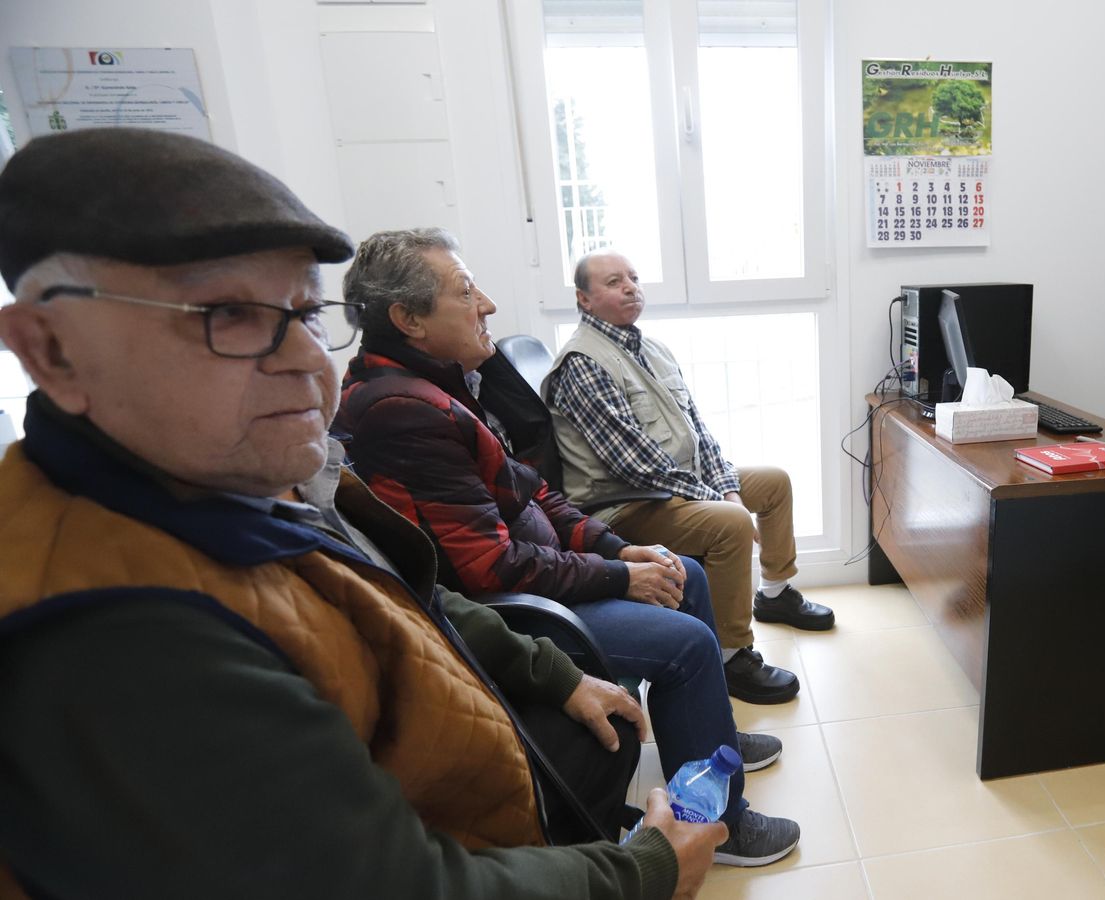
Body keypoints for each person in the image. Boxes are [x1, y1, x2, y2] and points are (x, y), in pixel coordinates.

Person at [0, 129, 725, 899]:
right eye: (229, 315)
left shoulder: (227, 476)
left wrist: (553, 673)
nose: (308, 362)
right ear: (52, 349)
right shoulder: (115, 633)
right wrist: (643, 870)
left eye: (308, 313)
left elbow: (399, 584)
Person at [333, 228, 800, 868]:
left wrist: (620, 552)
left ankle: (704, 732)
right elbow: (487, 568)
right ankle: (719, 826)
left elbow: (534, 494)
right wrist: (613, 576)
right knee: (688, 643)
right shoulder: (401, 411)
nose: (488, 305)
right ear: (408, 318)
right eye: (466, 292)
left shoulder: (439, 387)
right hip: (511, 608)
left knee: (681, 571)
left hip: (534, 574)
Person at [542, 251, 835, 705]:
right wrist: (721, 503)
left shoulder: (651, 348)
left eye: (634, 278)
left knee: (772, 482)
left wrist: (729, 488)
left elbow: (699, 433)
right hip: (624, 504)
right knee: (731, 523)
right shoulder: (583, 363)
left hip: (672, 486)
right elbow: (635, 463)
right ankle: (730, 654)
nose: (630, 287)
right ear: (584, 298)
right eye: (614, 281)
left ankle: (774, 592)